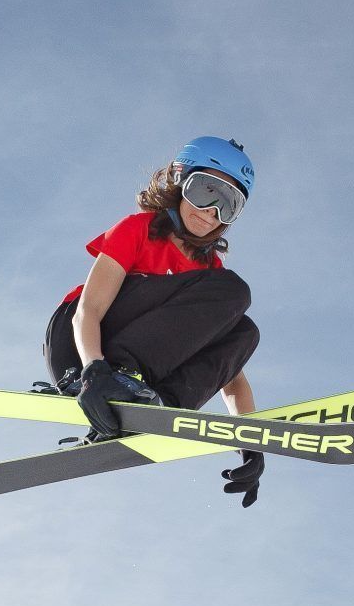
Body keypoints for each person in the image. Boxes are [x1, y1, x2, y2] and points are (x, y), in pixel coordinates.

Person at [43, 135, 270, 506]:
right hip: (81, 345)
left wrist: (250, 443)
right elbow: (90, 310)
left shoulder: (209, 273)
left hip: (139, 370)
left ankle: (159, 403)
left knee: (245, 330)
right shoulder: (138, 229)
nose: (211, 211)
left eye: (227, 205)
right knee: (234, 291)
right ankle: (121, 379)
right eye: (205, 191)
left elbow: (231, 378)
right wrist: (95, 370)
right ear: (180, 180)